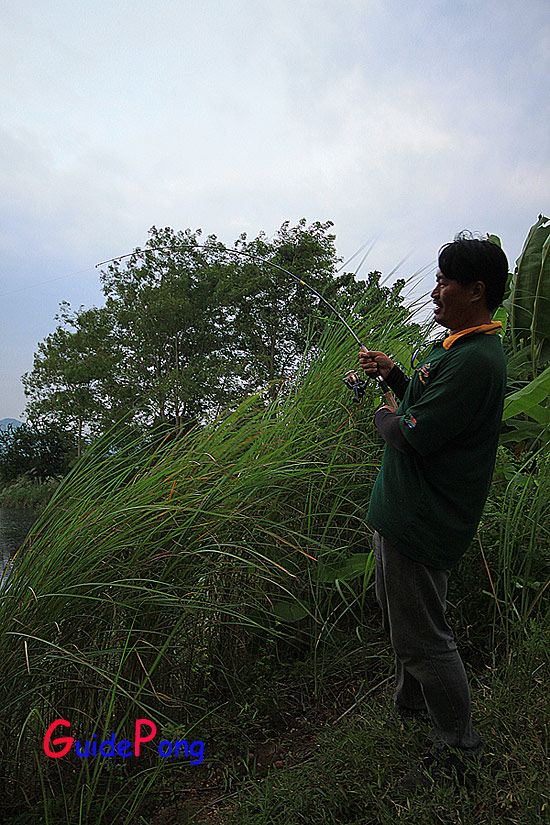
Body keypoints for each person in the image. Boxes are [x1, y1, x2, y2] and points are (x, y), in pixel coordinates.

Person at [358, 232, 508, 791]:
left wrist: (383, 412)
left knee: (423, 637)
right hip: (402, 513)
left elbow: (409, 435)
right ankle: (413, 705)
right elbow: (425, 407)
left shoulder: (476, 360)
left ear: (476, 290)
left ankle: (459, 750)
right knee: (402, 616)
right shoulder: (455, 346)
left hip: (422, 519)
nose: (436, 290)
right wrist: (396, 377)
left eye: (446, 281)